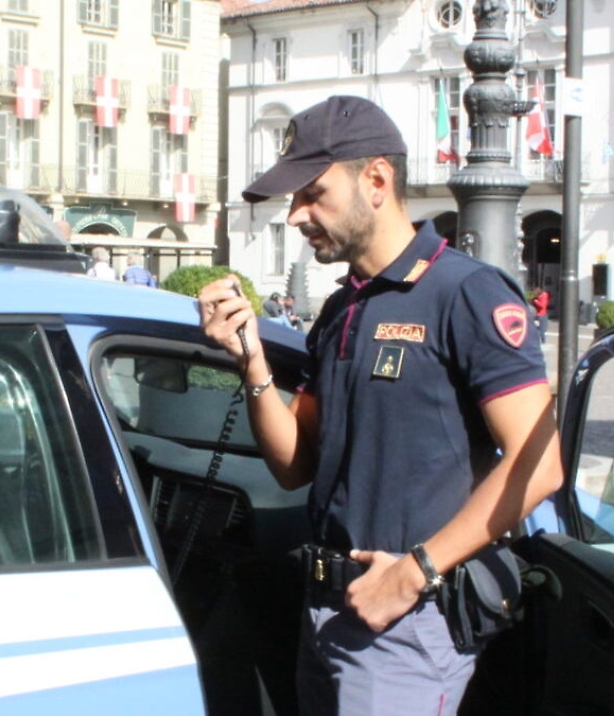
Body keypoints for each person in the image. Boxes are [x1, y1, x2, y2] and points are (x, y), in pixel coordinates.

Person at [197, 95, 562, 716]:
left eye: (312, 193)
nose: (296, 215)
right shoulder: (342, 308)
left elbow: (541, 462)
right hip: (328, 611)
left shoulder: (465, 292)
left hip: (407, 620)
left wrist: (415, 572)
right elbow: (295, 465)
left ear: (376, 180)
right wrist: (252, 362)